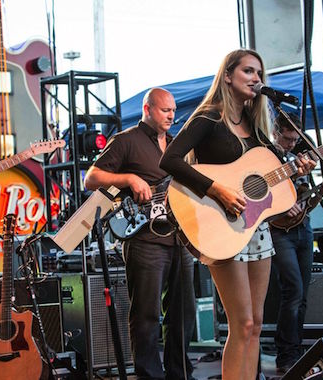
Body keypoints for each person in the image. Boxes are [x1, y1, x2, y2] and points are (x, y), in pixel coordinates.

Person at [159, 49, 315, 380]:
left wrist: (296, 171)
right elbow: (169, 161)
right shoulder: (209, 118)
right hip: (219, 225)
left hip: (254, 229)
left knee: (256, 325)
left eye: (260, 73)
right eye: (248, 71)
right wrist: (217, 189)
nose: (257, 78)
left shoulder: (257, 129)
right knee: (241, 323)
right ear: (227, 75)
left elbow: (270, 180)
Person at [84, 88, 196, 379]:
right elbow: (91, 178)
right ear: (148, 109)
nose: (171, 115)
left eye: (173, 110)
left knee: (184, 314)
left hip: (180, 236)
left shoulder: (176, 144)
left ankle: (179, 373)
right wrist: (130, 178)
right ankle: (149, 376)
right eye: (164, 110)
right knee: (146, 316)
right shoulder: (126, 141)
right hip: (145, 239)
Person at [269, 112, 314, 374]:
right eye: (287, 138)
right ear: (276, 132)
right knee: (293, 291)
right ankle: (286, 354)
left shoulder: (298, 154)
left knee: (303, 296)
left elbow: (304, 194)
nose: (291, 144)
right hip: (279, 232)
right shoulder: (267, 155)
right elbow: (265, 194)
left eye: (296, 139)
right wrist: (284, 206)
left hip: (303, 229)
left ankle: (295, 351)